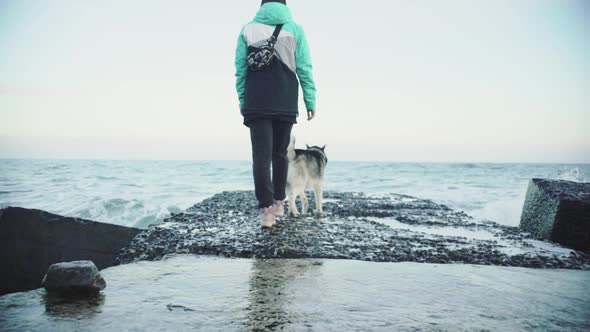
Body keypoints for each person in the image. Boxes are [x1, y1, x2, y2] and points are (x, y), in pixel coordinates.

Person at [235, 0, 317, 228]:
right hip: (285, 100)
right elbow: (304, 67)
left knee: (261, 156)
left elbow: (240, 69)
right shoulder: (295, 29)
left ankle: (266, 211)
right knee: (280, 153)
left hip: (256, 101)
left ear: (262, 6)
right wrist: (310, 99)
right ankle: (279, 201)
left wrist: (243, 100)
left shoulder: (247, 29)